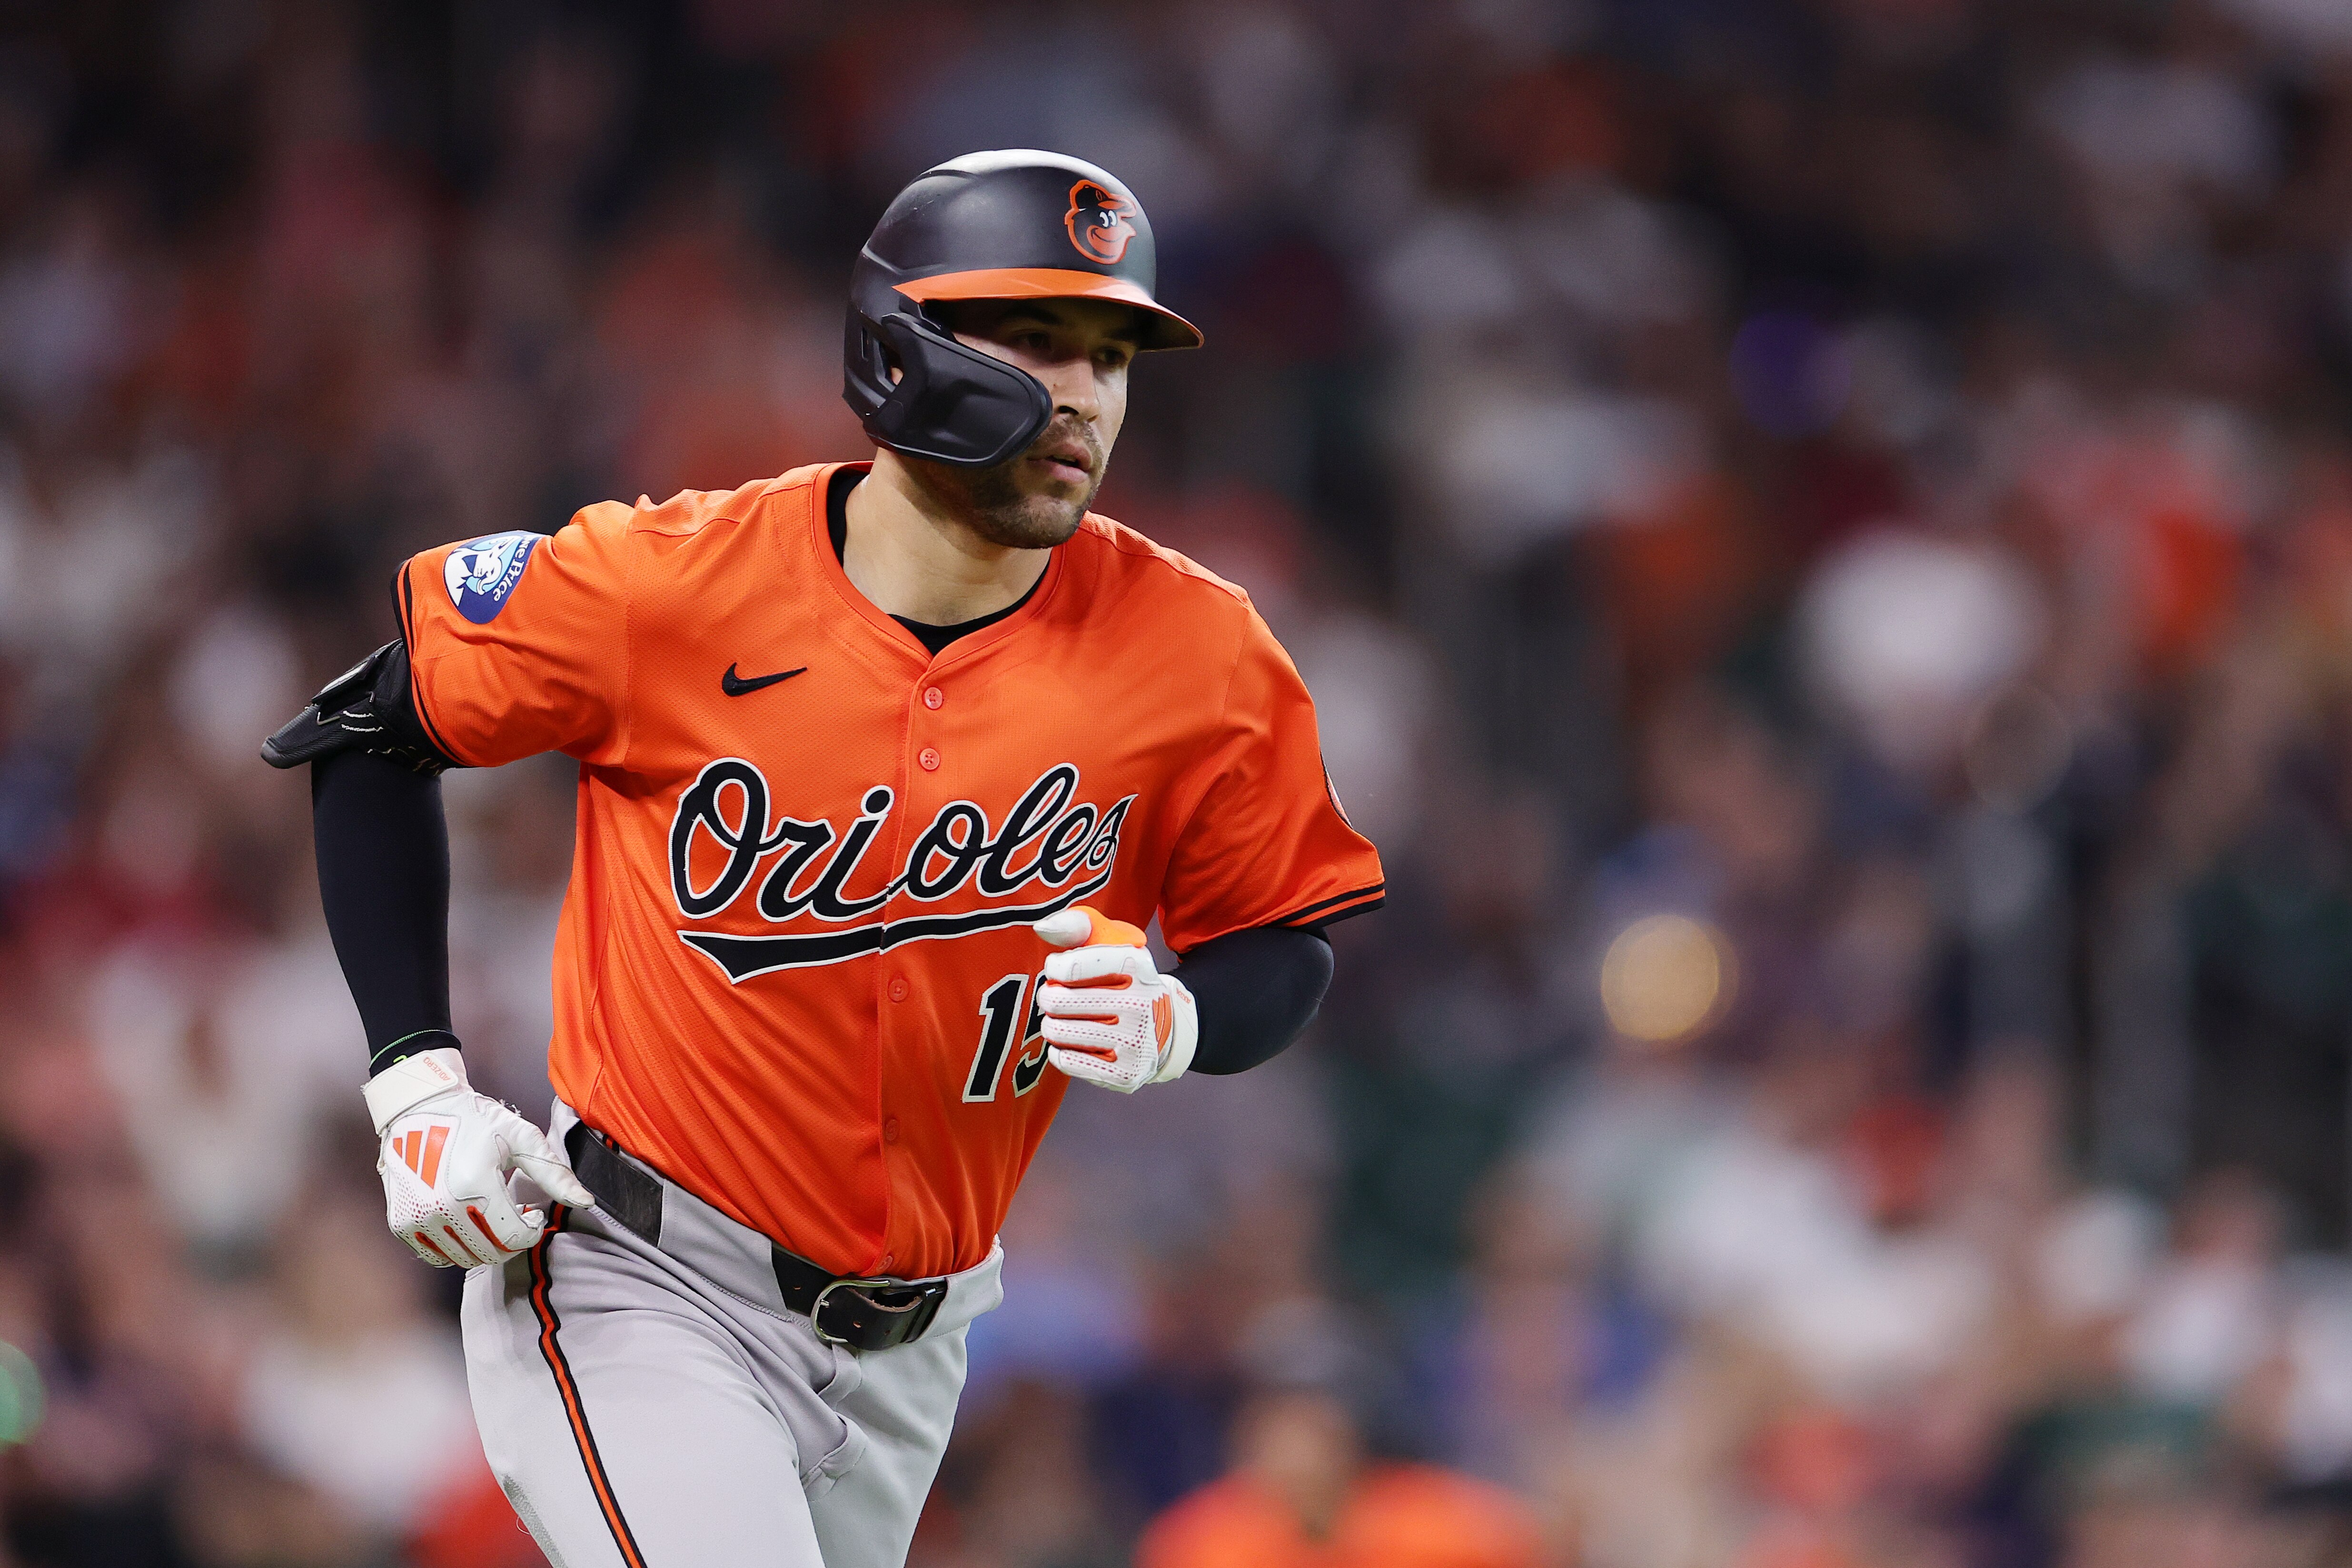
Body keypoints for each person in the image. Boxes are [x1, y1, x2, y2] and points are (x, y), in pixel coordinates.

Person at [262, 149, 1383, 1568]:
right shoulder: (672, 583)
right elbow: (370, 729)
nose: (1088, 393)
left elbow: (1284, 937)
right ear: (901, 350)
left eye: (1112, 355)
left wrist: (1184, 1020)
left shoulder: (1197, 646)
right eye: (1040, 339)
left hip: (921, 1343)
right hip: (642, 1279)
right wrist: (414, 1082)